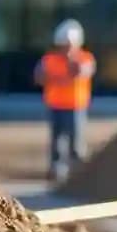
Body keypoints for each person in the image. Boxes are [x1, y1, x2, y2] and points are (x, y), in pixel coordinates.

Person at [34, 19, 96, 182]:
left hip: (76, 107)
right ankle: (57, 172)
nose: (66, 48)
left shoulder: (84, 58)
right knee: (57, 143)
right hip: (55, 105)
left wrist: (71, 62)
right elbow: (39, 76)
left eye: (69, 45)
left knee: (76, 144)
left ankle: (79, 175)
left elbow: (82, 71)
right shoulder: (50, 59)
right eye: (64, 44)